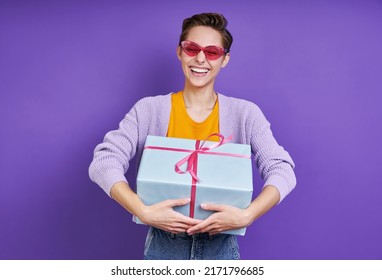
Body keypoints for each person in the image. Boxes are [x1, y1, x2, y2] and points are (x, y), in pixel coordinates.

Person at [89, 12, 296, 260]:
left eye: (212, 52)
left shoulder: (245, 114)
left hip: (220, 247)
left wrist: (248, 214)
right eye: (192, 48)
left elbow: (282, 169)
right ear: (179, 51)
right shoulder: (150, 109)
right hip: (163, 247)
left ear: (225, 59)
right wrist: (141, 211)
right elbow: (104, 162)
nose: (200, 58)